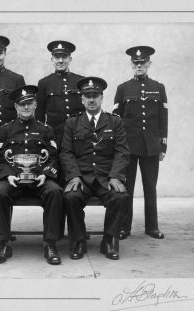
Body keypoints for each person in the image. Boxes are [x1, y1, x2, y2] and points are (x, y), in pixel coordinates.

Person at [0, 85, 63, 265]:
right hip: (14, 179)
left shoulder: (46, 129)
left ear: (35, 105)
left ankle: (50, 243)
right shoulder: (5, 130)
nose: (26, 107)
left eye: (29, 103)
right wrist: (8, 175)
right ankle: (4, 243)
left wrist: (45, 175)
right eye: (21, 104)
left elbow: (54, 157)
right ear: (16, 107)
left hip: (39, 179)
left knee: (54, 191)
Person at [60, 77, 130, 260]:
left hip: (106, 178)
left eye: (95, 96)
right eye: (87, 96)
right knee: (71, 197)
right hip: (82, 178)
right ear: (81, 99)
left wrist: (116, 176)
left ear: (101, 98)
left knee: (119, 196)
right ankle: (78, 240)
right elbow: (66, 153)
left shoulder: (115, 122)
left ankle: (108, 240)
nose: (91, 100)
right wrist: (74, 176)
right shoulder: (72, 123)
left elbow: (122, 152)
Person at [112, 46, 168, 240]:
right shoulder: (123, 88)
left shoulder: (159, 88)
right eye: (136, 63)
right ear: (131, 65)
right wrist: (118, 148)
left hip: (151, 146)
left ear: (149, 64)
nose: (139, 66)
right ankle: (123, 227)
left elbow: (163, 118)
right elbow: (116, 121)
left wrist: (163, 146)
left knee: (150, 187)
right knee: (126, 188)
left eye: (143, 63)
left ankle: (152, 227)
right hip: (128, 147)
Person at [36, 40, 84, 147]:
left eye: (64, 57)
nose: (61, 61)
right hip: (55, 137)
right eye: (57, 57)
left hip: (79, 136)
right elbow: (39, 115)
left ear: (70, 59)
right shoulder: (44, 83)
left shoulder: (80, 81)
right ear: (52, 59)